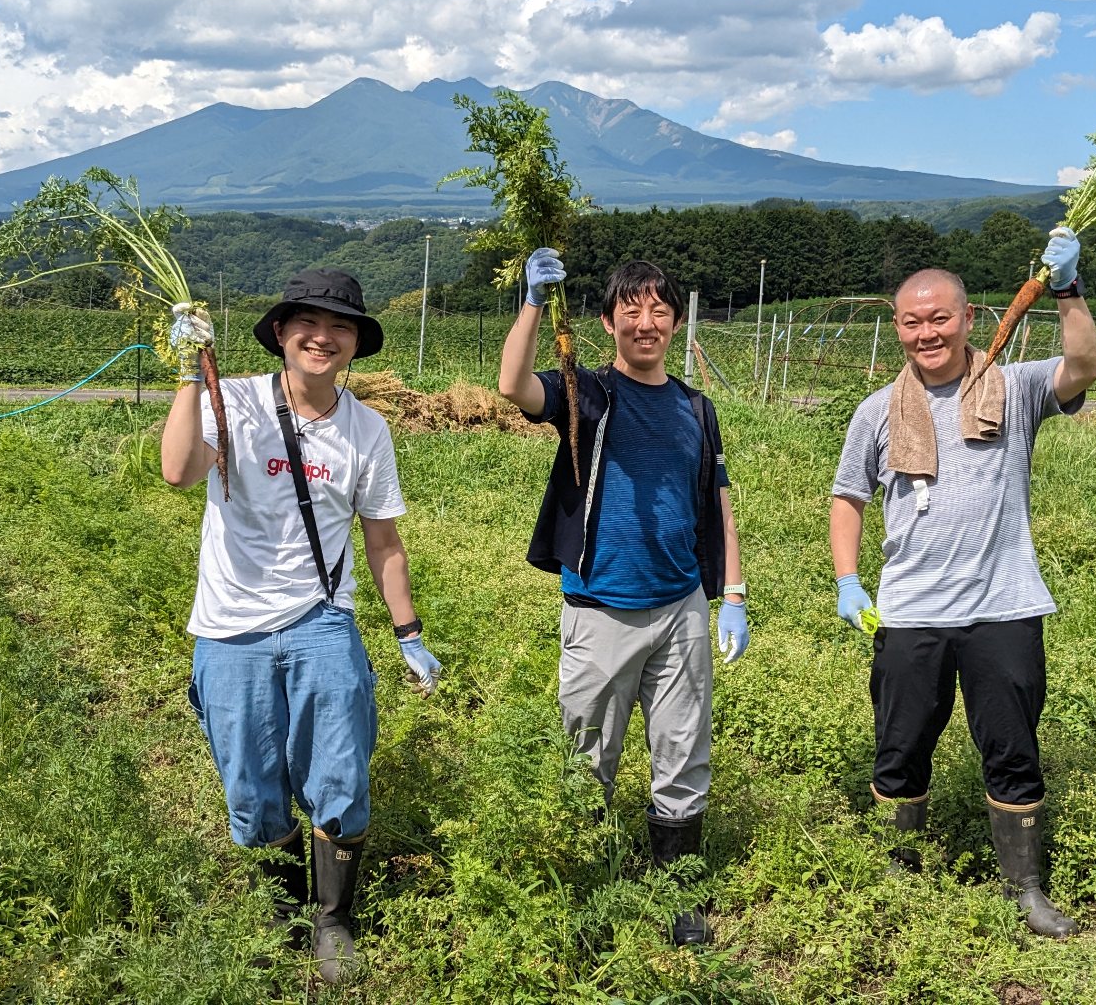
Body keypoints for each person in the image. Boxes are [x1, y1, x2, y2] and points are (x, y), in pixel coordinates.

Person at [160, 269, 442, 982]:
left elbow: (383, 541)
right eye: (308, 323)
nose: (324, 336)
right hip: (230, 628)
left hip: (322, 620)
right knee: (253, 797)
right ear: (282, 333)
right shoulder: (237, 402)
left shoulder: (366, 429)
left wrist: (409, 636)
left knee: (340, 776)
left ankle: (332, 917)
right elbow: (177, 470)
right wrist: (192, 374)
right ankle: (286, 902)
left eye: (340, 326)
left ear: (355, 345)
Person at [827, 229, 1096, 939]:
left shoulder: (1015, 386)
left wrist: (1067, 289)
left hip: (1003, 605)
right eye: (912, 322)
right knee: (901, 743)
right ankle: (899, 866)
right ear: (897, 329)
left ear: (969, 316)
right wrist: (849, 580)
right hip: (911, 611)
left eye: (940, 317)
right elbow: (847, 496)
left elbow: (1084, 364)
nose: (927, 332)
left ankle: (1025, 890)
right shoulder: (877, 411)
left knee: (1012, 749)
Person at [497, 248, 749, 947]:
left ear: (674, 321)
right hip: (600, 611)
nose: (647, 322)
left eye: (659, 310)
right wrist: (533, 303)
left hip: (680, 610)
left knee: (683, 753)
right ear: (608, 322)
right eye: (631, 309)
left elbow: (716, 498)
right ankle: (591, 894)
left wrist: (731, 590)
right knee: (588, 759)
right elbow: (513, 385)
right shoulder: (588, 394)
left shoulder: (697, 408)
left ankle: (678, 895)